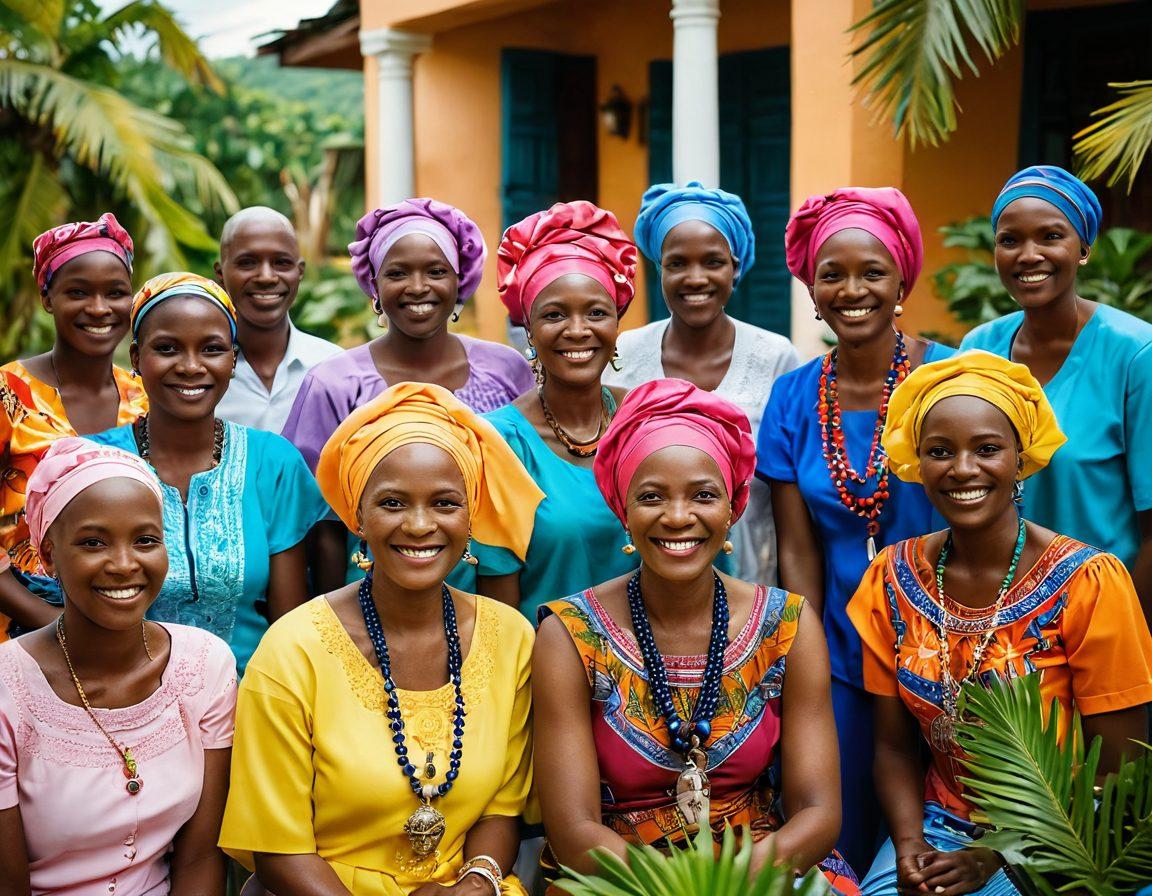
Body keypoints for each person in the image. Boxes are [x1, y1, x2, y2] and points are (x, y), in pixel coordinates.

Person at [534, 378, 859, 895]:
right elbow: (576, 833)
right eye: (651, 497)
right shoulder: (569, 634)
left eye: (703, 495)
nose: (679, 517)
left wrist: (728, 883)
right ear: (623, 510)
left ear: (733, 507)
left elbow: (817, 812)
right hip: (621, 877)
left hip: (760, 868)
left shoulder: (788, 625)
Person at [220, 383, 543, 896]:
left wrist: (478, 883)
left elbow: (502, 809)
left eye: (445, 503)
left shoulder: (510, 639)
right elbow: (279, 850)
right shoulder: (294, 651)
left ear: (470, 517)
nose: (419, 525)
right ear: (358, 517)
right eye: (393, 503)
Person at [849, 352, 1152, 896]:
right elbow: (894, 748)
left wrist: (996, 857)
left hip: (1070, 834)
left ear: (1021, 459)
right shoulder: (891, 579)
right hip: (939, 825)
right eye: (940, 451)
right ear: (918, 463)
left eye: (987, 449)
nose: (963, 469)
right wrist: (909, 844)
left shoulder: (1088, 583)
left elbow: (1119, 774)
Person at [757, 186, 955, 872]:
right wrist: (804, 664)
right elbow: (797, 550)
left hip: (945, 651)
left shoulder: (948, 379)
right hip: (838, 653)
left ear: (902, 281)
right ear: (812, 291)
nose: (852, 290)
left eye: (872, 272)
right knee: (836, 836)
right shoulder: (793, 396)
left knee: (938, 848)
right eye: (831, 275)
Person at [0, 438, 236, 896]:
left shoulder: (204, 667)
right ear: (48, 555)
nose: (125, 564)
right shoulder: (9, 690)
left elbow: (200, 857)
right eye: (93, 543)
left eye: (145, 540)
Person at [283, 198, 533, 594]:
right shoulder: (334, 384)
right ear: (374, 284)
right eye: (398, 273)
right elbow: (320, 524)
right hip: (372, 601)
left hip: (496, 596)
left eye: (436, 271)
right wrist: (338, 613)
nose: (417, 287)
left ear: (460, 279)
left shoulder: (505, 370)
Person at [87, 273, 326, 674]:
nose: (190, 366)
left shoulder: (273, 463)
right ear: (136, 358)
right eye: (167, 348)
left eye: (212, 349)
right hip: (120, 696)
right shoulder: (93, 463)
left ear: (233, 360)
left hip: (249, 695)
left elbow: (288, 627)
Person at [960, 166, 1152, 618]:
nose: (1029, 255)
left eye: (1050, 236)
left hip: (1099, 615)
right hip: (995, 620)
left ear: (1083, 248)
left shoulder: (1134, 355)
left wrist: (1128, 633)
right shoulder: (978, 350)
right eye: (1010, 240)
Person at [605, 182, 799, 583]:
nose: (695, 278)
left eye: (713, 262)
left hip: (752, 582)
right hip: (643, 583)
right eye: (677, 263)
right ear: (659, 269)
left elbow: (790, 496)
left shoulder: (775, 357)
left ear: (736, 268)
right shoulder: (622, 355)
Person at [473, 201, 639, 620]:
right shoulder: (498, 444)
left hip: (657, 658)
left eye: (596, 313)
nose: (578, 330)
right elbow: (498, 613)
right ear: (529, 329)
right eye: (554, 314)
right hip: (539, 655)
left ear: (617, 324)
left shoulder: (647, 421)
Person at [0, 214, 147, 637]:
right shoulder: (9, 394)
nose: (99, 308)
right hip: (18, 628)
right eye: (78, 292)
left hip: (123, 627)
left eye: (115, 293)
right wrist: (55, 625)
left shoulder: (146, 398)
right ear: (48, 298)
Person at [213, 206, 341, 433]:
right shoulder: (200, 376)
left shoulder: (335, 367)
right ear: (221, 274)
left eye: (281, 262)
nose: (266, 277)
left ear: (300, 272)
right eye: (247, 262)